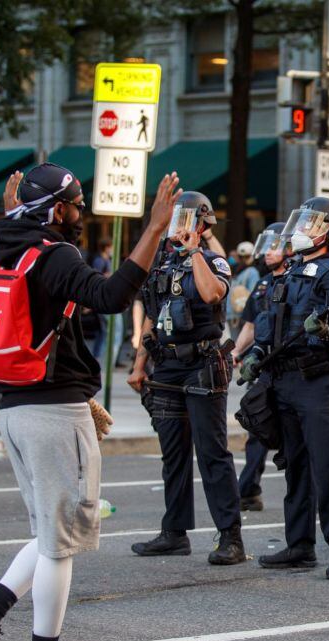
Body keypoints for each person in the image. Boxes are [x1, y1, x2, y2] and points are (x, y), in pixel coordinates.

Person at [0, 163, 181, 641]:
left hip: (16, 409)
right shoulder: (56, 255)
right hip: (53, 413)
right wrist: (153, 228)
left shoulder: (0, 247)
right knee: (60, 545)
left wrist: (13, 210)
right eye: (75, 206)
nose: (80, 216)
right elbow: (113, 296)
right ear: (56, 210)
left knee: (51, 535)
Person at [238, 197, 329, 580]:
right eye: (301, 221)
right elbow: (269, 324)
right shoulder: (289, 272)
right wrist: (256, 352)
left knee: (327, 469)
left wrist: (327, 332)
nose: (301, 229)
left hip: (317, 383)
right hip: (284, 381)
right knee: (295, 468)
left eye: (309, 223)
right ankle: (300, 546)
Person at [127, 190, 245, 566]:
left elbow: (212, 294)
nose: (177, 226)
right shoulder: (161, 265)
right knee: (173, 454)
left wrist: (195, 252)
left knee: (212, 454)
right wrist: (139, 364)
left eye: (185, 219)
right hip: (167, 366)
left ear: (201, 224)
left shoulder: (214, 261)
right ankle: (174, 533)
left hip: (203, 364)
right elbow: (151, 315)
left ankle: (231, 538)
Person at [232, 223, 288, 511]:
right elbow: (251, 324)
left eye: (275, 246)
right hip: (263, 369)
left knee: (293, 437)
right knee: (257, 427)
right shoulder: (263, 283)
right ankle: (248, 490)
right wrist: (236, 352)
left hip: (291, 371)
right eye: (266, 246)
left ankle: (304, 496)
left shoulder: (296, 279)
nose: (268, 252)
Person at [227, 240, 260, 337]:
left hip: (233, 314)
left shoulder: (234, 272)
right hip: (244, 315)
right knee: (243, 347)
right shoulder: (251, 271)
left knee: (236, 345)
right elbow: (255, 295)